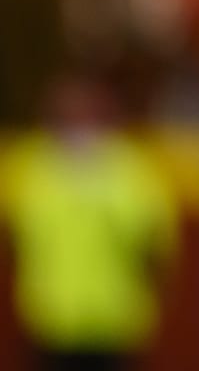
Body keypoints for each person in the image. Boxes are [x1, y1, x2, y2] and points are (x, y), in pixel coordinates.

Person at [0, 74, 177, 371]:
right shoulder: (29, 167)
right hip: (50, 318)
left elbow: (155, 244)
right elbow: (13, 237)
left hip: (116, 319)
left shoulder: (131, 170)